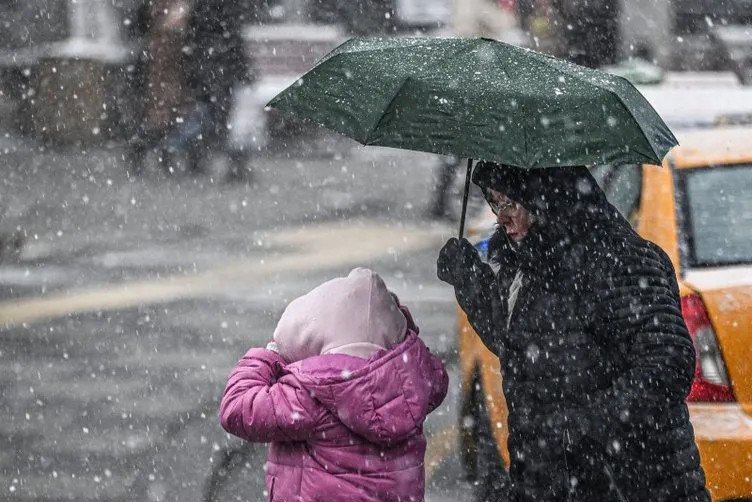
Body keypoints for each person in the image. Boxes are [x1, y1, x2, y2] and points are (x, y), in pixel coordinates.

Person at [437, 162, 710, 501]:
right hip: (552, 484)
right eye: (494, 204)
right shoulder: (531, 265)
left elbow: (668, 365)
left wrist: (579, 427)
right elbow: (520, 349)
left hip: (633, 485)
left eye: (510, 203)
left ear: (544, 199)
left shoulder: (623, 261)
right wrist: (469, 280)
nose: (501, 216)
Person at [219, 267, 448, 502]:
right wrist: (399, 327)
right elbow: (432, 370)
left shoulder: (313, 394)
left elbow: (236, 409)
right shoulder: (412, 382)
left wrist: (269, 355)